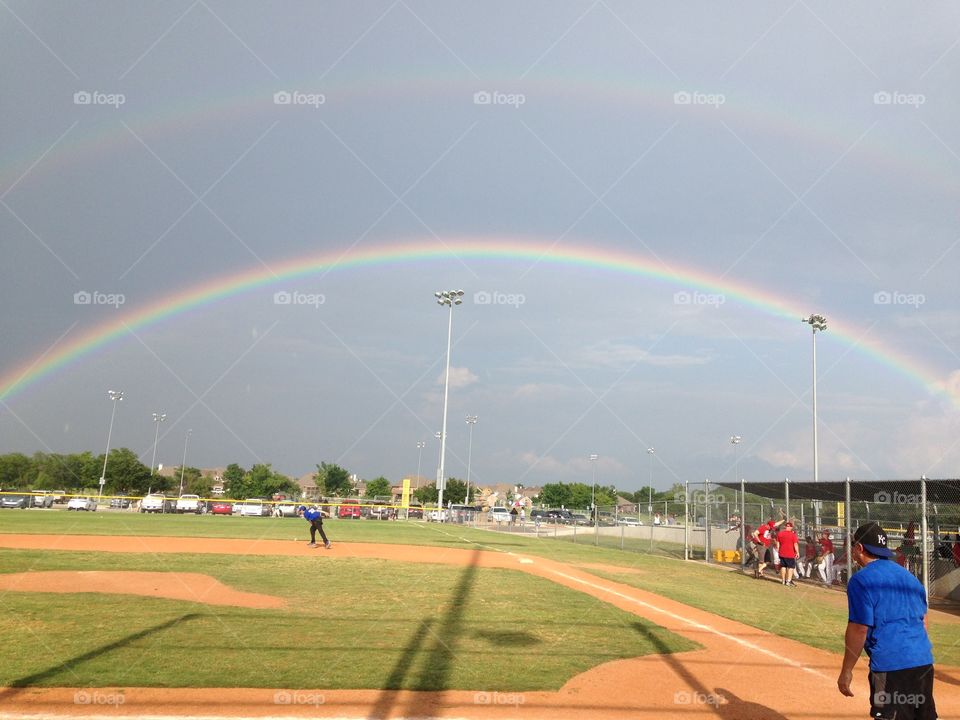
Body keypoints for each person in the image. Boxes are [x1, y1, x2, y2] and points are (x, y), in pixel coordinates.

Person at [837, 522, 936, 719]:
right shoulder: (909, 578)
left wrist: (846, 670)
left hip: (891, 666)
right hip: (923, 662)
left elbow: (859, 629)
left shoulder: (861, 580)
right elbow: (923, 621)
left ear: (859, 548)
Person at [775, 521, 800, 587]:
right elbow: (795, 544)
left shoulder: (780, 534)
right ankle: (788, 581)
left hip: (782, 553)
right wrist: (797, 552)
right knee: (791, 567)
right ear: (791, 527)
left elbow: (778, 543)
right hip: (790, 553)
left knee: (783, 566)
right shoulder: (793, 535)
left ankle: (783, 580)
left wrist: (778, 549)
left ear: (786, 527)